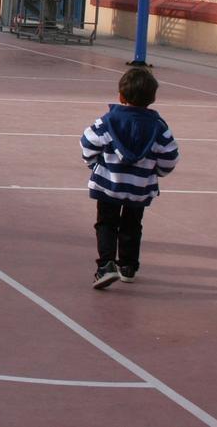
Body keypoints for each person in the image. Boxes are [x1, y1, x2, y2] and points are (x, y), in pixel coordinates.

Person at [81, 68, 179, 290]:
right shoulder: (158, 127)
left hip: (108, 185)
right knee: (132, 225)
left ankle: (106, 265)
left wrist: (93, 164)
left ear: (121, 96)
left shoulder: (109, 121)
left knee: (106, 223)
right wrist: (158, 173)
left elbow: (87, 143)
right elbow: (170, 157)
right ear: (152, 99)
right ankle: (128, 267)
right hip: (140, 187)